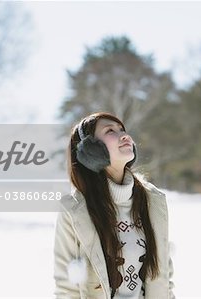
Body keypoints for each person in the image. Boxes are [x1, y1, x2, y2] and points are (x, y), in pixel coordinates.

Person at [54, 112, 175, 299]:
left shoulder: (153, 201)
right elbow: (66, 288)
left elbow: (164, 280)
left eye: (122, 130)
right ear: (90, 150)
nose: (124, 135)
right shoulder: (75, 210)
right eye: (110, 131)